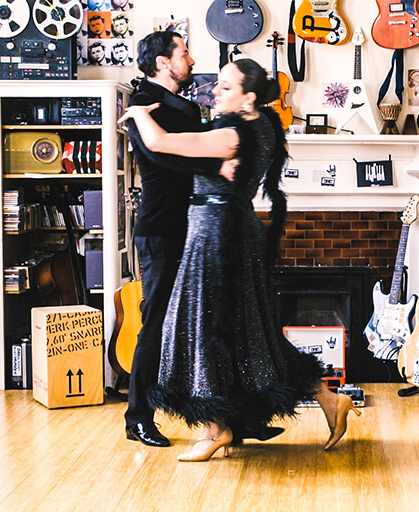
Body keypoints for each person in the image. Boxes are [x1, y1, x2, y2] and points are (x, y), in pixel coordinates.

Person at [119, 58, 361, 462]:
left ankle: (215, 429)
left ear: (248, 96)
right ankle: (328, 400)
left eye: (226, 87)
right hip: (232, 227)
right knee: (250, 332)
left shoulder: (231, 136)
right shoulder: (264, 123)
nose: (216, 90)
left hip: (217, 233)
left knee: (202, 325)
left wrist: (138, 115)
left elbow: (160, 143)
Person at [123, 31, 221, 448]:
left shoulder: (177, 106)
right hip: (163, 228)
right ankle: (138, 418)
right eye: (183, 53)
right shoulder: (145, 104)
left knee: (204, 320)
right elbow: (165, 155)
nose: (191, 59)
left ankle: (222, 418)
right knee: (157, 323)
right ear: (163, 62)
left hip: (189, 225)